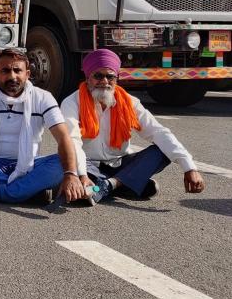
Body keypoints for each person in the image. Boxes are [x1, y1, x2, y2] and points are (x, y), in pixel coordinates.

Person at [60, 49, 206, 203]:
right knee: (64, 168)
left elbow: (158, 132)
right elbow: (72, 141)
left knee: (161, 151)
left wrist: (190, 168)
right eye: (98, 76)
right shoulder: (71, 103)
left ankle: (109, 186)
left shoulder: (130, 102)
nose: (104, 82)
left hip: (120, 163)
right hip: (88, 166)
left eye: (110, 77)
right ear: (87, 77)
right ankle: (124, 184)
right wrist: (82, 175)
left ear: (117, 78)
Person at [0, 48, 89, 205]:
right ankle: (29, 189)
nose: (12, 76)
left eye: (17, 70)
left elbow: (63, 137)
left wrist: (71, 174)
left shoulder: (43, 98)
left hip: (29, 165)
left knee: (62, 165)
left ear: (27, 74)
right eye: (5, 71)